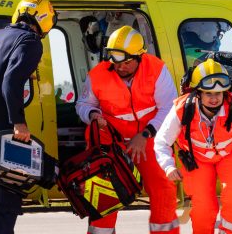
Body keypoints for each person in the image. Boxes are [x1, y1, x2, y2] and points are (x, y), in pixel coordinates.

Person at [75, 26, 180, 234]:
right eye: (116, 62)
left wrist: (145, 134)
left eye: (126, 62)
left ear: (140, 56)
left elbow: (169, 107)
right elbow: (82, 105)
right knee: (104, 191)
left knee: (163, 189)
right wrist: (93, 115)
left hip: (150, 136)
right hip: (111, 141)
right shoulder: (97, 75)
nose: (120, 67)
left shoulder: (157, 69)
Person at [0, 0, 56, 234]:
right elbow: (11, 81)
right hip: (5, 130)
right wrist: (18, 122)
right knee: (9, 197)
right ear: (45, 19)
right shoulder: (30, 42)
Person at [154, 58, 232, 234]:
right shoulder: (182, 109)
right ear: (198, 93)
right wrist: (168, 167)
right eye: (209, 94)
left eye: (219, 93)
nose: (214, 98)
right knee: (203, 206)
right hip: (197, 158)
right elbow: (161, 141)